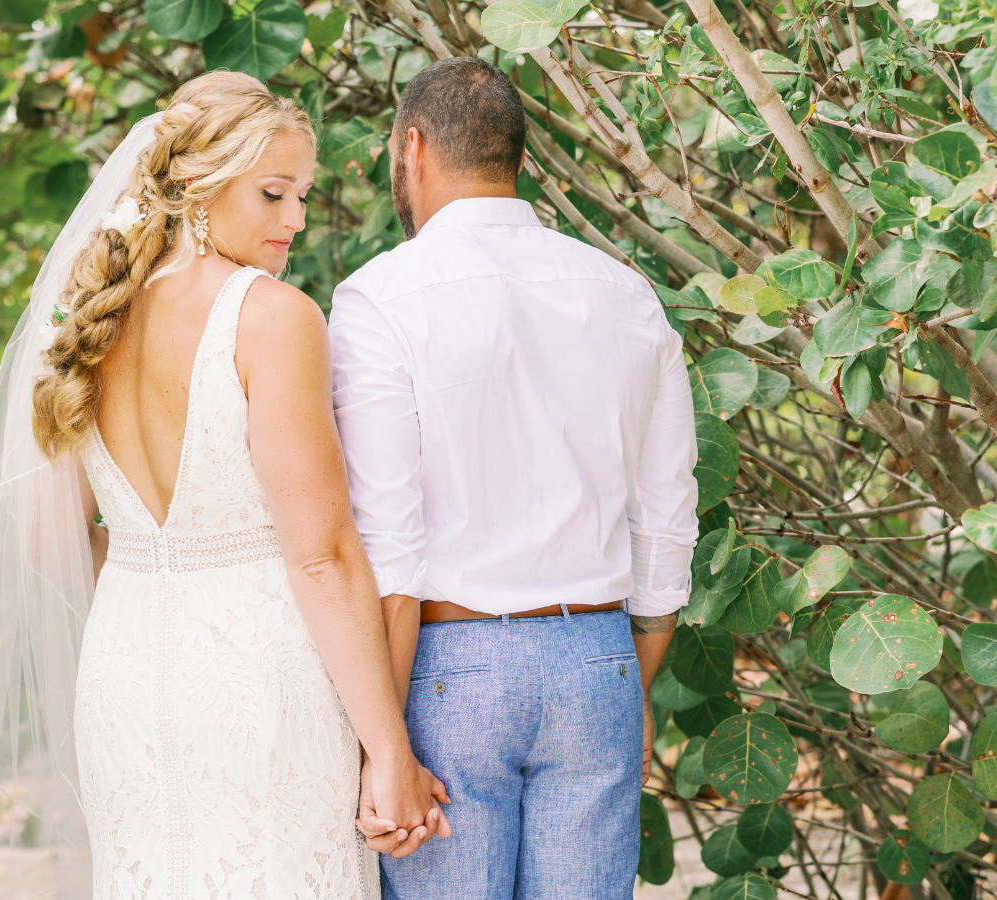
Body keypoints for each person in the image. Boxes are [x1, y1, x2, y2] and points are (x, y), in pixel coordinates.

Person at [0, 71, 448, 900]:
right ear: (194, 184)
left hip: (125, 670)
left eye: (301, 196)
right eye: (274, 194)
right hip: (259, 678)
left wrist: (158, 557)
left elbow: (46, 535)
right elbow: (322, 557)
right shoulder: (272, 315)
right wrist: (389, 752)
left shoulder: (87, 316)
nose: (295, 219)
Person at [329, 57, 701, 898]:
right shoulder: (626, 293)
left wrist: (382, 745)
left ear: (411, 150)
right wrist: (627, 677)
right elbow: (669, 516)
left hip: (446, 665)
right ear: (519, 162)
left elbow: (389, 549)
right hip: (597, 657)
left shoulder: (378, 299)